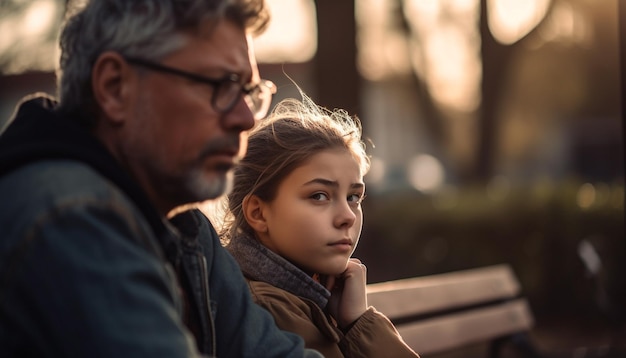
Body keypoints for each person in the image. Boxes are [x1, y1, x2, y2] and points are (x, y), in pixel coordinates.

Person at [0, 0, 323, 357]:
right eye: (222, 84)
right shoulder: (69, 216)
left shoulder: (185, 226)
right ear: (114, 86)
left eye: (249, 92)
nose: (246, 118)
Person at [219, 90, 420, 357]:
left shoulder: (302, 299)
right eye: (319, 196)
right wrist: (358, 324)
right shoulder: (267, 310)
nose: (347, 216)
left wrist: (355, 323)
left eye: (353, 197)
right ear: (258, 213)